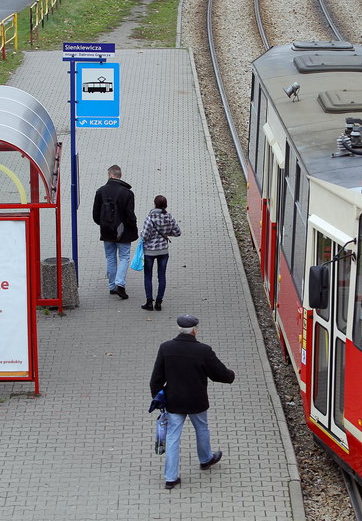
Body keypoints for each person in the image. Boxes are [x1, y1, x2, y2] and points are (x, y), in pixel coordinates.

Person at [149, 315, 235, 490]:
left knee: (173, 437)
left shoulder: (166, 348)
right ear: (195, 330)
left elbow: (156, 379)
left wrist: (158, 398)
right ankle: (205, 459)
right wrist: (230, 376)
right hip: (197, 400)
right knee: (202, 429)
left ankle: (171, 477)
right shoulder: (203, 350)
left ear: (178, 329)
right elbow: (218, 373)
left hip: (174, 401)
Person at [92, 165, 138, 299]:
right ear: (120, 175)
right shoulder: (127, 193)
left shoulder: (100, 191)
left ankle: (112, 286)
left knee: (110, 257)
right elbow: (130, 215)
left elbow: (95, 213)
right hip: (123, 232)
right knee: (124, 257)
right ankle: (120, 284)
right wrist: (132, 229)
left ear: (109, 175)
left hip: (106, 231)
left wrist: (103, 224)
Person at [140, 195, 182, 311]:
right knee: (161, 276)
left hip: (149, 252)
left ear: (154, 204)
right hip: (163, 251)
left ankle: (149, 302)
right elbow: (178, 232)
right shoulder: (169, 217)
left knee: (148, 276)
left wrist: (142, 234)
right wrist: (167, 234)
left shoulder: (150, 218)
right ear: (166, 205)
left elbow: (145, 236)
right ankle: (158, 302)